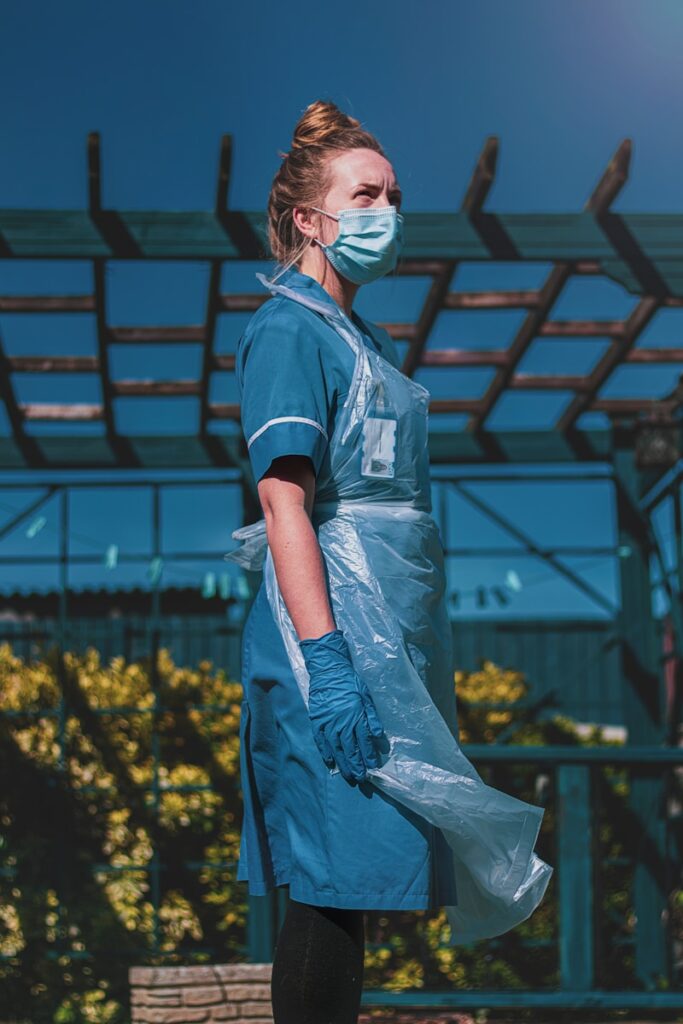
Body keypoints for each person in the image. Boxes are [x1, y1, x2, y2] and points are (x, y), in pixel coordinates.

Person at [228, 99, 551, 1024]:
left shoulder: (359, 338)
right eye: (365, 193)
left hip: (384, 638)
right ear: (308, 218)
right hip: (325, 638)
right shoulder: (289, 329)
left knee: (355, 882)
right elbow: (284, 498)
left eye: (395, 196)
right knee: (328, 886)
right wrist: (328, 663)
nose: (387, 212)